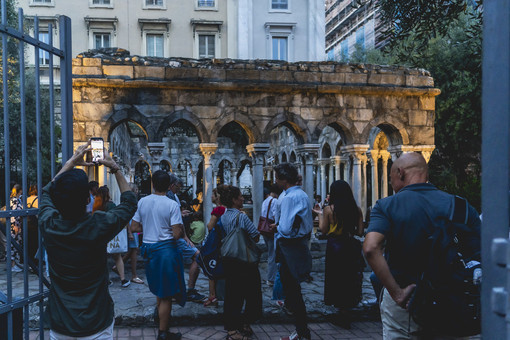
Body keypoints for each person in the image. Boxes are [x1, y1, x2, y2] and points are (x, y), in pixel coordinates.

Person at [363, 153, 481, 339]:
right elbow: (480, 253)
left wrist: (397, 293)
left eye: (391, 177)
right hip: (452, 301)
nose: (392, 184)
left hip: (407, 300)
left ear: (400, 173)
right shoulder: (460, 205)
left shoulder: (387, 206)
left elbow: (370, 248)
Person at [39, 142, 137, 339]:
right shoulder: (98, 225)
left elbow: (46, 191)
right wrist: (114, 167)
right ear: (87, 199)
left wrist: (71, 162)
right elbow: (129, 202)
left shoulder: (49, 224)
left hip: (61, 322)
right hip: (96, 322)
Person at [131, 170, 187, 340]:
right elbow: (177, 233)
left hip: (149, 249)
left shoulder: (143, 201)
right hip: (165, 251)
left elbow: (134, 227)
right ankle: (163, 333)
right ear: (169, 186)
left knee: (159, 290)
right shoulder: (171, 205)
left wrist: (149, 228)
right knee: (166, 295)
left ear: (152, 184)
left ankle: (162, 324)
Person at [313, 180, 364, 329]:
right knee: (350, 277)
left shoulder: (329, 209)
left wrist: (320, 214)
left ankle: (340, 311)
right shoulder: (357, 209)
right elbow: (360, 232)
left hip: (335, 247)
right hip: (350, 246)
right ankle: (347, 309)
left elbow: (323, 230)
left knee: (336, 277)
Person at [272, 163, 313, 340]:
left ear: (284, 180)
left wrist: (277, 226)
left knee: (293, 292)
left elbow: (286, 229)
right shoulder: (300, 194)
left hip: (290, 246)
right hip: (298, 245)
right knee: (293, 291)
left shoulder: (290, 198)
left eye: (277, 178)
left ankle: (302, 332)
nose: (275, 181)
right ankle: (301, 331)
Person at [219, 185, 261, 340]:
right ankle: (243, 323)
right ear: (234, 200)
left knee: (232, 293)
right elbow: (255, 236)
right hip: (244, 260)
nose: (243, 198)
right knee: (252, 293)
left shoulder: (223, 216)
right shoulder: (241, 216)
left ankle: (233, 325)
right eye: (240, 196)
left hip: (230, 258)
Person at [166, 173, 205, 302]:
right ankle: (190, 290)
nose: (179, 189)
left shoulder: (172, 196)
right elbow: (174, 221)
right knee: (197, 256)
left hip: (173, 237)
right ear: (172, 185)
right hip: (176, 236)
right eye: (178, 186)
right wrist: (185, 236)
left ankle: (177, 290)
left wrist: (181, 213)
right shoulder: (170, 197)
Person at [93, 186, 131, 288]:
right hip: (112, 234)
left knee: (103, 259)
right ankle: (123, 279)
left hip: (101, 235)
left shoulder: (96, 206)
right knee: (117, 257)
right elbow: (118, 218)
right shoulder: (111, 205)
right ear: (107, 194)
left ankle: (106, 280)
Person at [203, 186, 226, 307]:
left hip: (217, 243)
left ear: (218, 197)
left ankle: (212, 295)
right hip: (226, 242)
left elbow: (210, 226)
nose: (210, 197)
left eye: (213, 194)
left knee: (211, 268)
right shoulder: (228, 209)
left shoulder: (218, 210)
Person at [120, 183, 143, 285]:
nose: (138, 192)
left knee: (134, 249)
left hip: (132, 227)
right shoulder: (130, 203)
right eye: (136, 189)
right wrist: (130, 232)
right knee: (134, 249)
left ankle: (120, 266)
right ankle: (134, 275)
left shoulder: (131, 202)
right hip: (131, 227)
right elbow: (127, 218)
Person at [260, 184, 283, 286]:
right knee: (272, 255)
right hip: (271, 229)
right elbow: (275, 215)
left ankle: (270, 277)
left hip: (264, 230)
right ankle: (271, 278)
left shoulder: (265, 202)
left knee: (271, 254)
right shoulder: (274, 201)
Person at [9, 184, 23, 272]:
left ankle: (14, 264)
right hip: (15, 225)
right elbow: (14, 213)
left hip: (16, 224)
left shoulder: (15, 199)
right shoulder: (15, 200)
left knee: (16, 244)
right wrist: (15, 225)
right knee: (14, 245)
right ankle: (13, 265)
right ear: (19, 190)